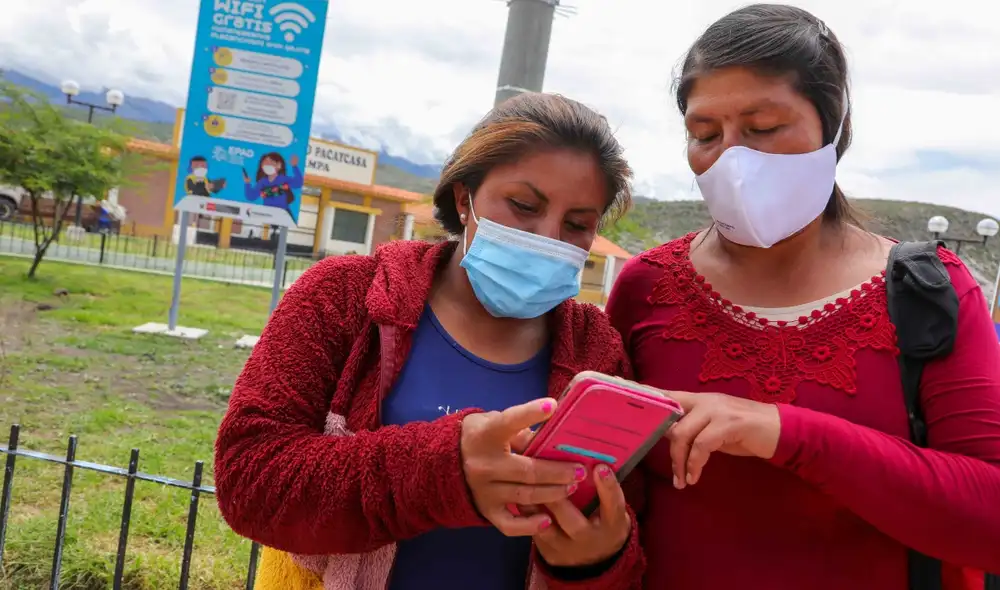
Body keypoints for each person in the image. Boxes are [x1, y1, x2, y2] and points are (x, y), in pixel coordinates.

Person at [606, 5, 1000, 590]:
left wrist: (787, 434)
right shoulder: (644, 288)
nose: (731, 159)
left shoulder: (927, 291)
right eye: (705, 134)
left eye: (763, 128)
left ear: (834, 127)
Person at [215, 93, 647, 590]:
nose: (547, 236)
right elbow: (250, 481)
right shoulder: (344, 298)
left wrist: (597, 562)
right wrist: (446, 469)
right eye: (524, 206)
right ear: (465, 200)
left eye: (577, 225)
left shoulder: (597, 353)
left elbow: (625, 524)